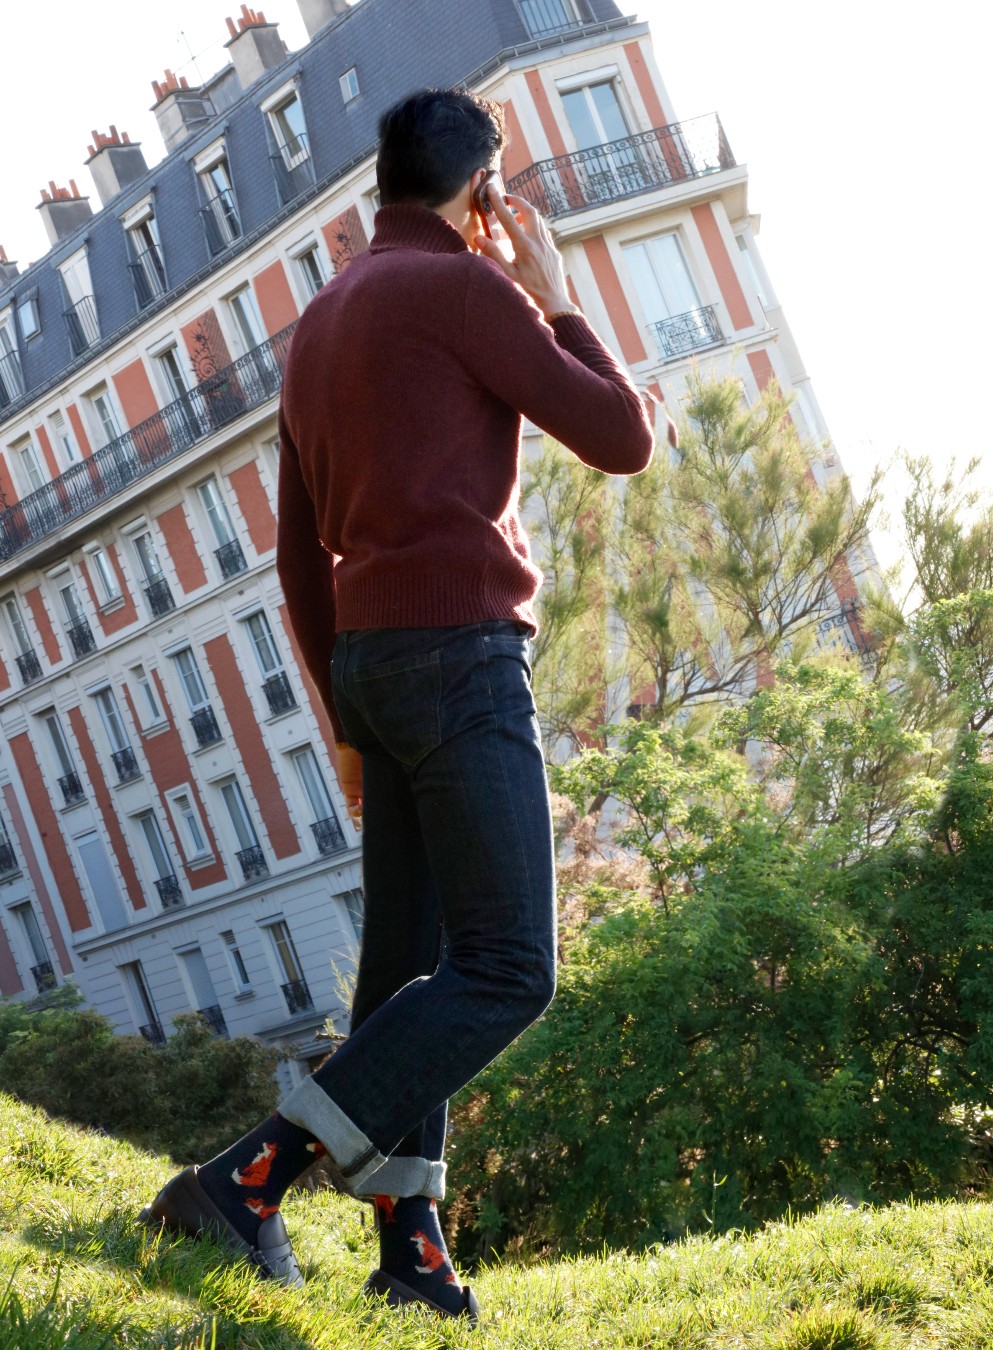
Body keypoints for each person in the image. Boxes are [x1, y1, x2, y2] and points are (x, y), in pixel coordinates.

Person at [140, 86, 653, 1323]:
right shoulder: (470, 291)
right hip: (461, 658)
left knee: (408, 973)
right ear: (485, 195)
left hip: (373, 668)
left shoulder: (318, 325)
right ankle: (243, 1181)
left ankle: (413, 1261)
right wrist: (556, 293)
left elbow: (296, 553)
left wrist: (341, 719)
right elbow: (623, 436)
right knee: (509, 968)